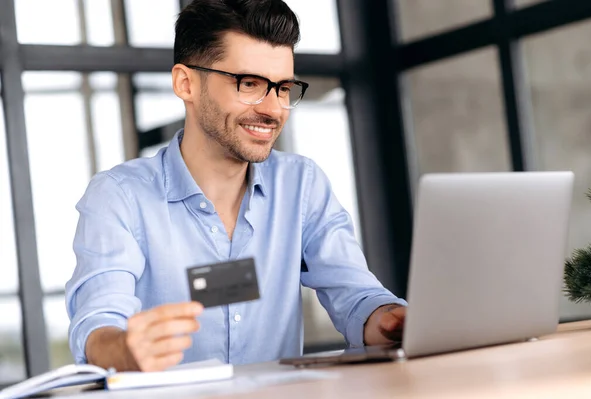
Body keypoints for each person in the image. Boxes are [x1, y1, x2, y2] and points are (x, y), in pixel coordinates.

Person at [66, 0, 407, 373]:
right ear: (186, 83)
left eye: (282, 88)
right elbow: (98, 326)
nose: (273, 109)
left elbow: (356, 296)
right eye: (249, 84)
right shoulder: (119, 197)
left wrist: (391, 319)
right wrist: (125, 351)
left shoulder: (302, 185)